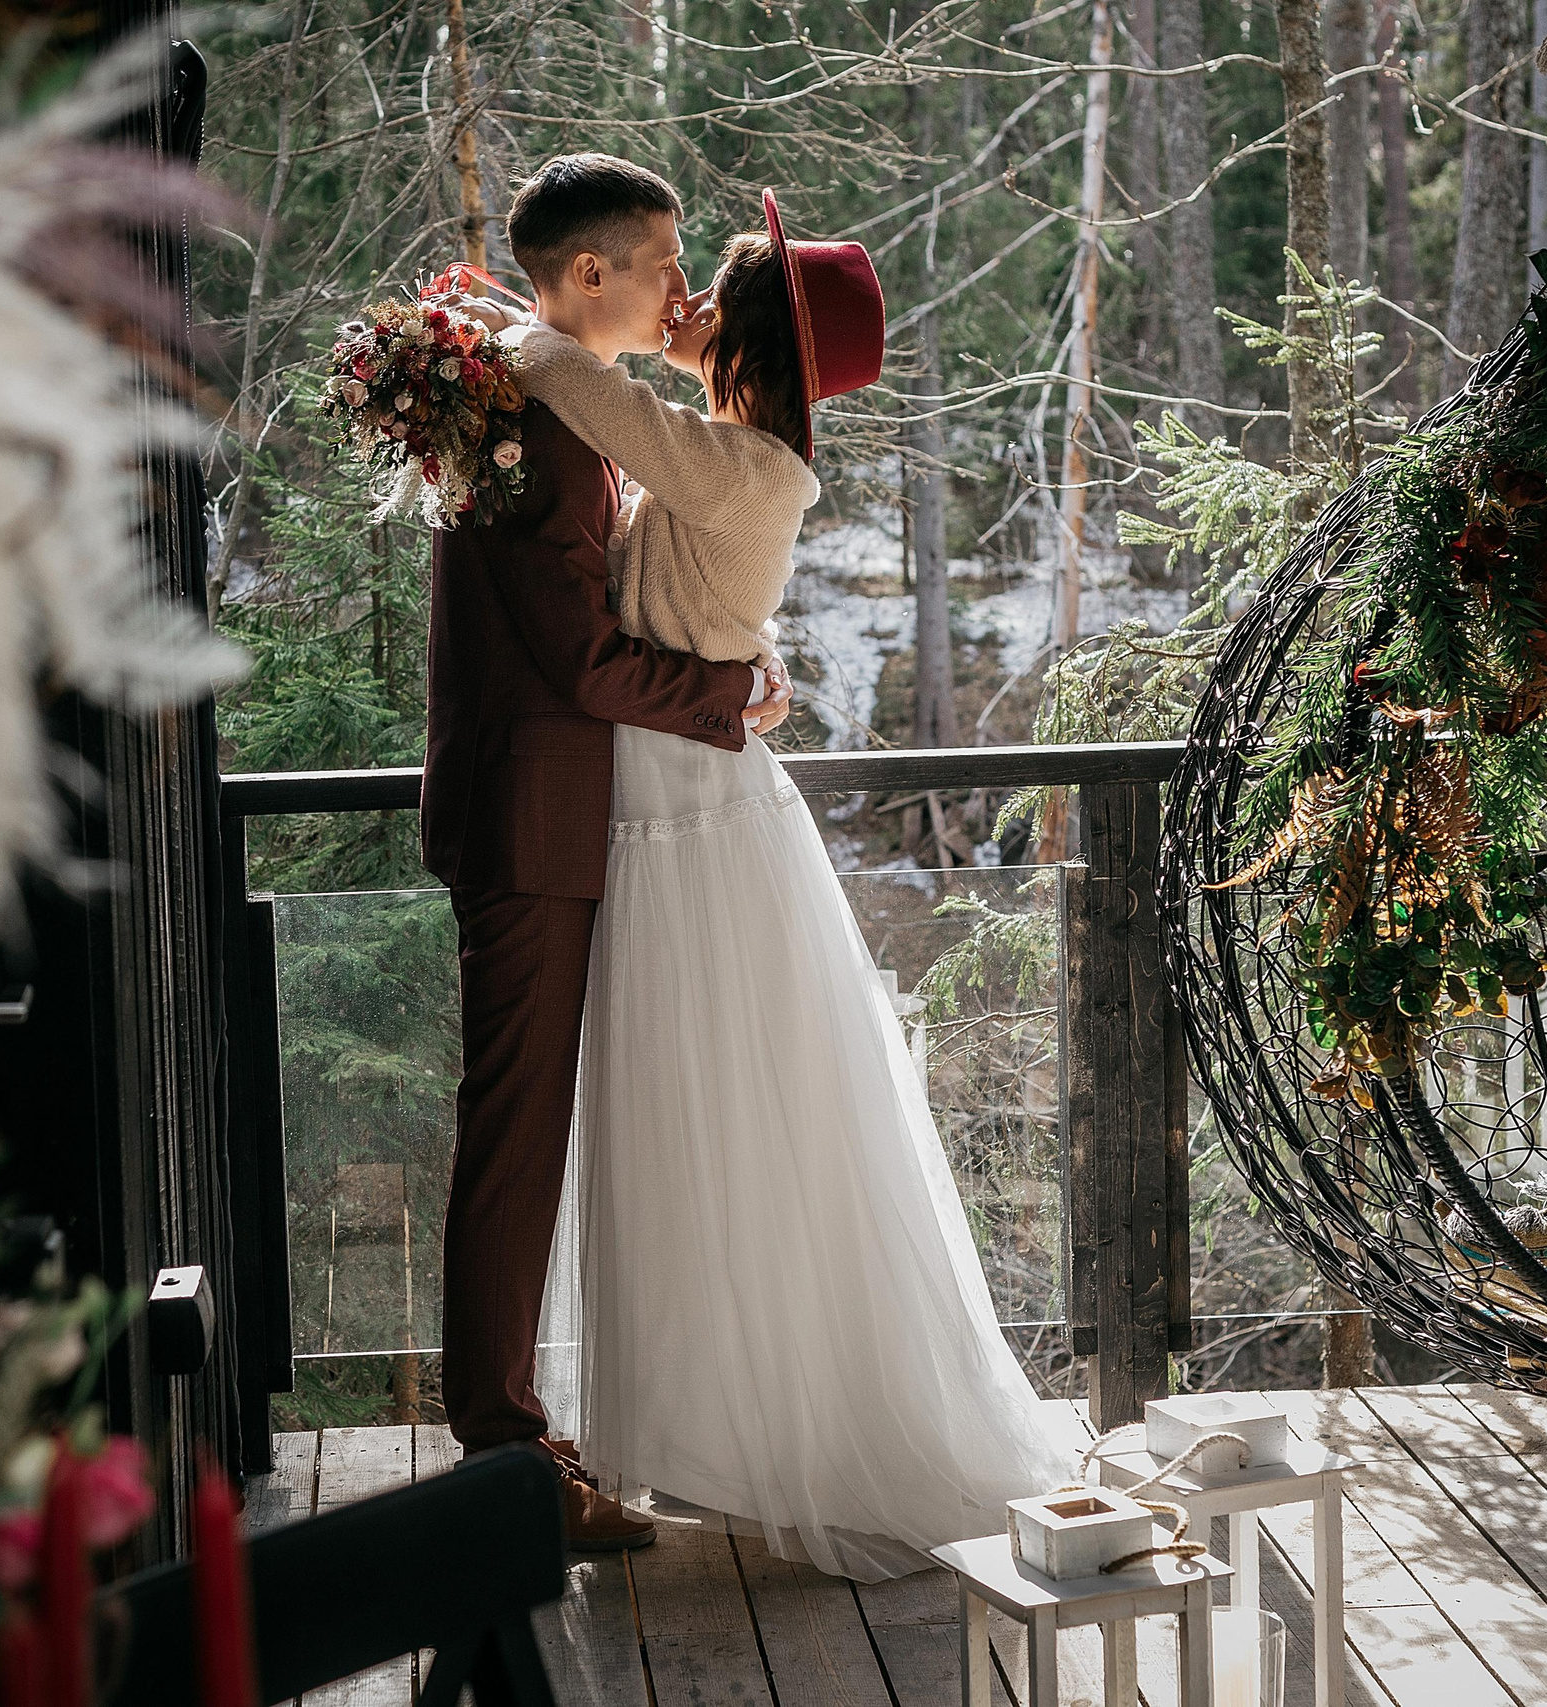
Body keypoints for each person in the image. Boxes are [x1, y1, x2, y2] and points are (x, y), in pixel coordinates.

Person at [451, 176, 1080, 1580]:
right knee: (694, 1119)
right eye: (669, 274)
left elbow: (557, 361)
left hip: (685, 808)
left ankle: (771, 1425)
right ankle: (705, 1421)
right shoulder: (728, 448)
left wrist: (483, 320)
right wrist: (736, 675)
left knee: (725, 1114)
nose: (678, 302)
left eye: (701, 290)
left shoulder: (732, 462)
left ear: (742, 346)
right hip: (667, 790)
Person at [419, 154, 793, 1552]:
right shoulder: (547, 423)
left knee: (526, 1134)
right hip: (537, 815)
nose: (678, 291)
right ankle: (507, 1464)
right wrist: (726, 702)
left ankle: (517, 1428)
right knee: (514, 1141)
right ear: (589, 276)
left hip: (555, 808)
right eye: (657, 264)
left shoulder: (554, 408)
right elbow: (580, 660)